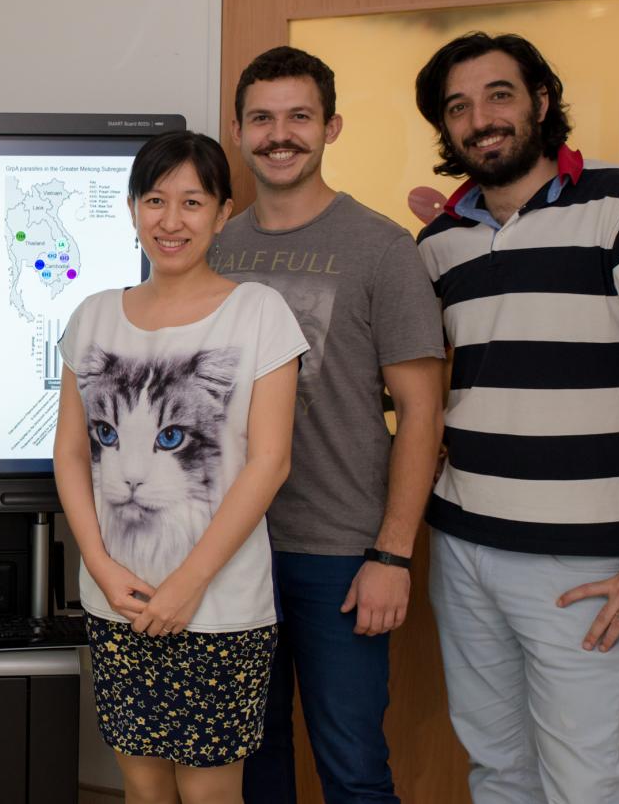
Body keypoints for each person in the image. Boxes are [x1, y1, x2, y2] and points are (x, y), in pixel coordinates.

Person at [413, 31, 619, 804]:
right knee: (498, 771)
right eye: (458, 107)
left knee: (586, 785)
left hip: (586, 563)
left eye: (499, 94)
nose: (480, 118)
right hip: (463, 545)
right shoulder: (439, 244)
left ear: (541, 101)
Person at [214, 46, 445, 804]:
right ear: (241, 131)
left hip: (340, 555)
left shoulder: (382, 248)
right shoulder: (212, 247)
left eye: (299, 117)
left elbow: (421, 411)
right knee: (255, 757)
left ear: (330, 126)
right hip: (231, 548)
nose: (280, 134)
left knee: (352, 765)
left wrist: (393, 553)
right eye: (263, 118)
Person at [54, 130, 307, 804]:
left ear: (223, 212)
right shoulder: (92, 316)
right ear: (133, 207)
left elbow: (270, 460)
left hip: (220, 604)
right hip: (118, 600)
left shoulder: (259, 312)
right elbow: (73, 452)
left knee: (208, 793)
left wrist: (189, 584)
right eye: (156, 200)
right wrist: (102, 568)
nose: (172, 220)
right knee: (139, 783)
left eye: (193, 202)